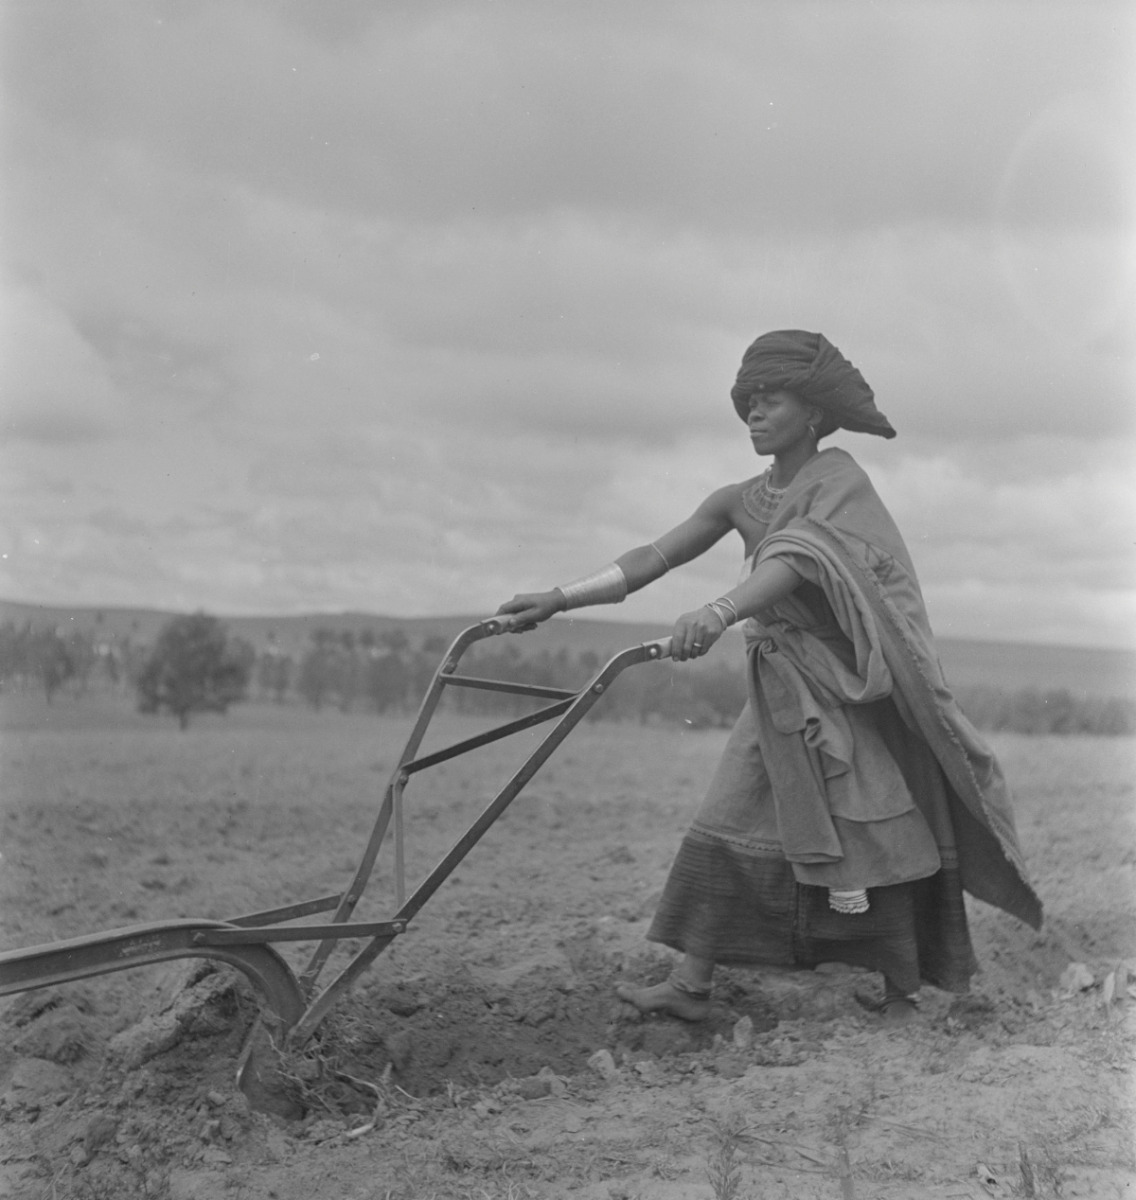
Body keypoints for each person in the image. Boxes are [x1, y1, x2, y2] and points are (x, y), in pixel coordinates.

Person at [497, 329, 1041, 1024]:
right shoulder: (737, 498)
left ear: (812, 412)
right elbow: (651, 558)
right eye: (748, 401)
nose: (755, 414)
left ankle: (904, 995)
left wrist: (721, 611)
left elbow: (804, 558)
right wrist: (559, 598)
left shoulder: (840, 481)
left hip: (849, 691)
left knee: (870, 831)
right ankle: (691, 987)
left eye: (771, 400)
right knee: (731, 815)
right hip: (780, 687)